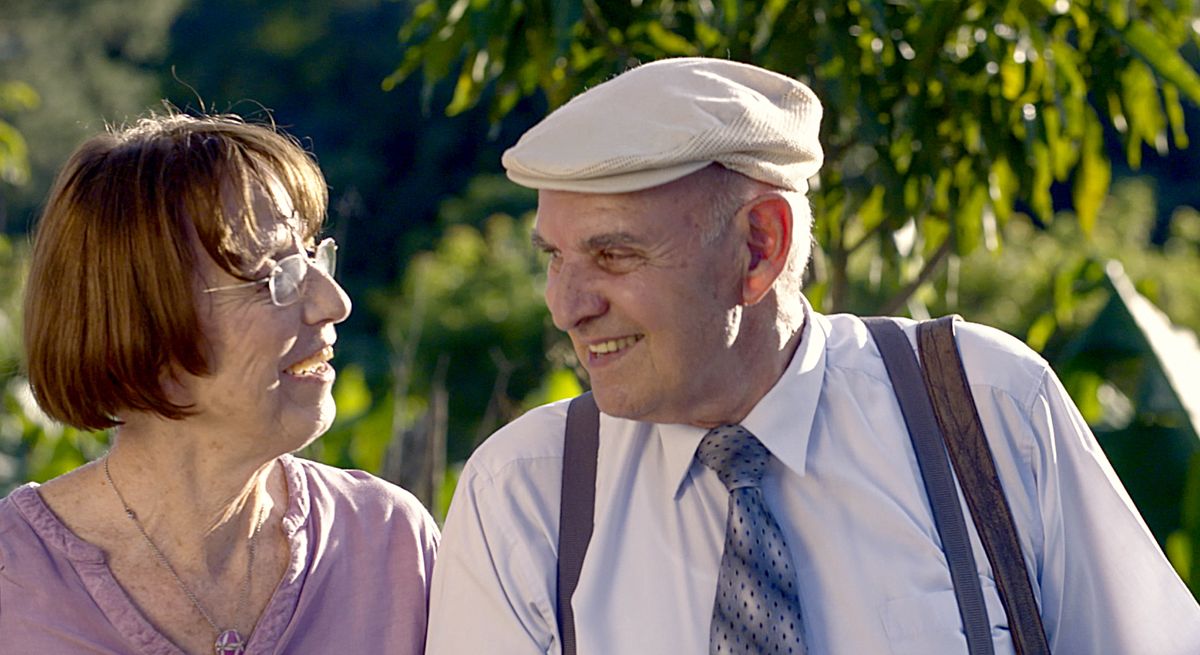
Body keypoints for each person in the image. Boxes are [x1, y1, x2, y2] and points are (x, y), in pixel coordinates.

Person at [424, 57, 1200, 654]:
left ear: (760, 246)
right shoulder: (524, 496)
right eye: (554, 257)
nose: (567, 305)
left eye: (614, 254)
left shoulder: (984, 403)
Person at [0, 112, 439, 654]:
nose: (334, 302)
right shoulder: (13, 587)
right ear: (144, 320)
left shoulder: (389, 545)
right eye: (275, 277)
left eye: (311, 255)